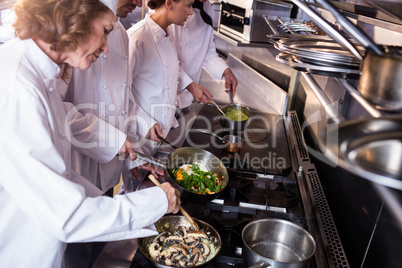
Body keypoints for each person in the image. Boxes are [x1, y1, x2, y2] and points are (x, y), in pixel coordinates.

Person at [0, 0, 180, 267]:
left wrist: (128, 154)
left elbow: (61, 176)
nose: (106, 46)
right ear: (75, 18)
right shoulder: (19, 89)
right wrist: (154, 203)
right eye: (105, 30)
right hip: (25, 251)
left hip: (50, 238)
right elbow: (67, 216)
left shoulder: (41, 74)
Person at [127, 0, 197, 157]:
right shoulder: (136, 38)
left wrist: (191, 86)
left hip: (163, 133)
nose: (191, 12)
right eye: (188, 5)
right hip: (140, 138)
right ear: (169, 3)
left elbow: (166, 67)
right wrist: (145, 124)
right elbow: (121, 92)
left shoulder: (168, 32)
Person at [172, 0, 238, 109]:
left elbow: (208, 52)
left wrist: (225, 71)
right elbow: (167, 61)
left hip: (187, 100)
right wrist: (191, 86)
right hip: (167, 96)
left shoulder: (208, 9)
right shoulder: (175, 6)